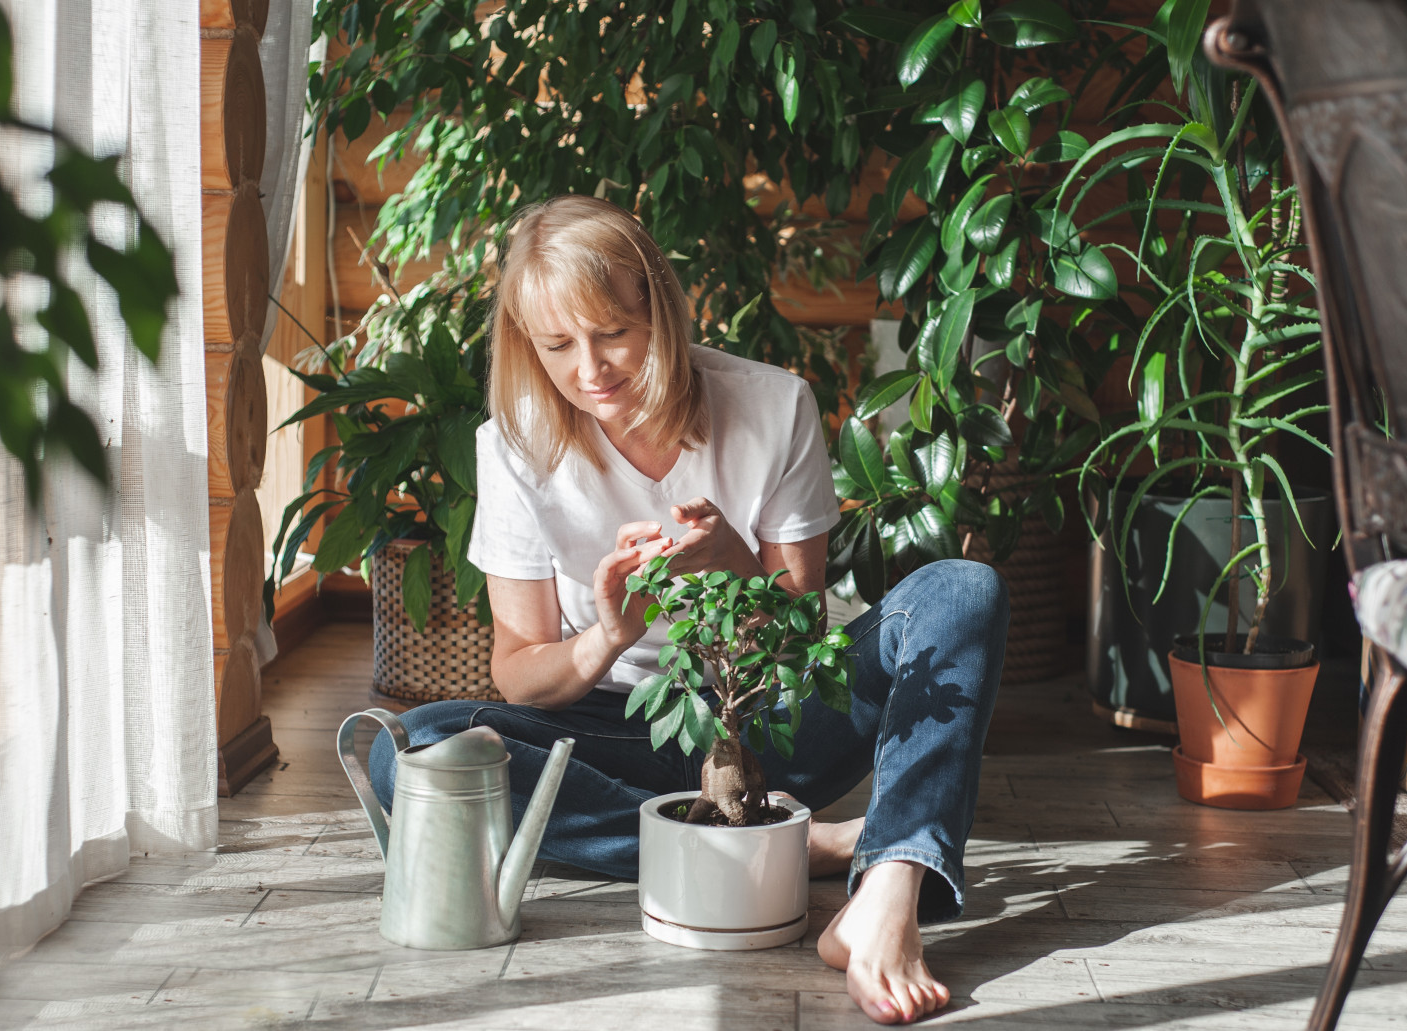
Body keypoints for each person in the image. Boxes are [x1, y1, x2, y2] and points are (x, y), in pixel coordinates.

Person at [369, 195, 1008, 1025]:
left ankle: (888, 888)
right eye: (557, 344)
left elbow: (800, 637)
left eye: (612, 333)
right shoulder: (515, 444)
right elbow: (519, 673)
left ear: (658, 309)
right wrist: (608, 635)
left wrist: (737, 564)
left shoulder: (775, 407)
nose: (589, 368)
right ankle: (780, 847)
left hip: (769, 727)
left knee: (964, 589)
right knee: (415, 748)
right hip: (617, 732)